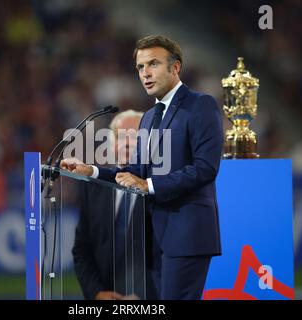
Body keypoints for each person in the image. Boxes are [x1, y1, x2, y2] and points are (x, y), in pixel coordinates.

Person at [62, 35, 223, 300]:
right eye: (140, 67)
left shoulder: (200, 105)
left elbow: (205, 168)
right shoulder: (148, 117)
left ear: (175, 67)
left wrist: (148, 185)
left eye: (153, 64)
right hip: (157, 241)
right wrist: (90, 170)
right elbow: (134, 171)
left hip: (187, 235)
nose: (145, 73)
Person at [73, 110, 156, 300]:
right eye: (120, 137)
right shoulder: (94, 188)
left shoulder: (159, 187)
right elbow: (82, 249)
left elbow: (167, 254)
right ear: (111, 144)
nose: (126, 143)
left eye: (133, 136)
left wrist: (144, 295)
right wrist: (96, 292)